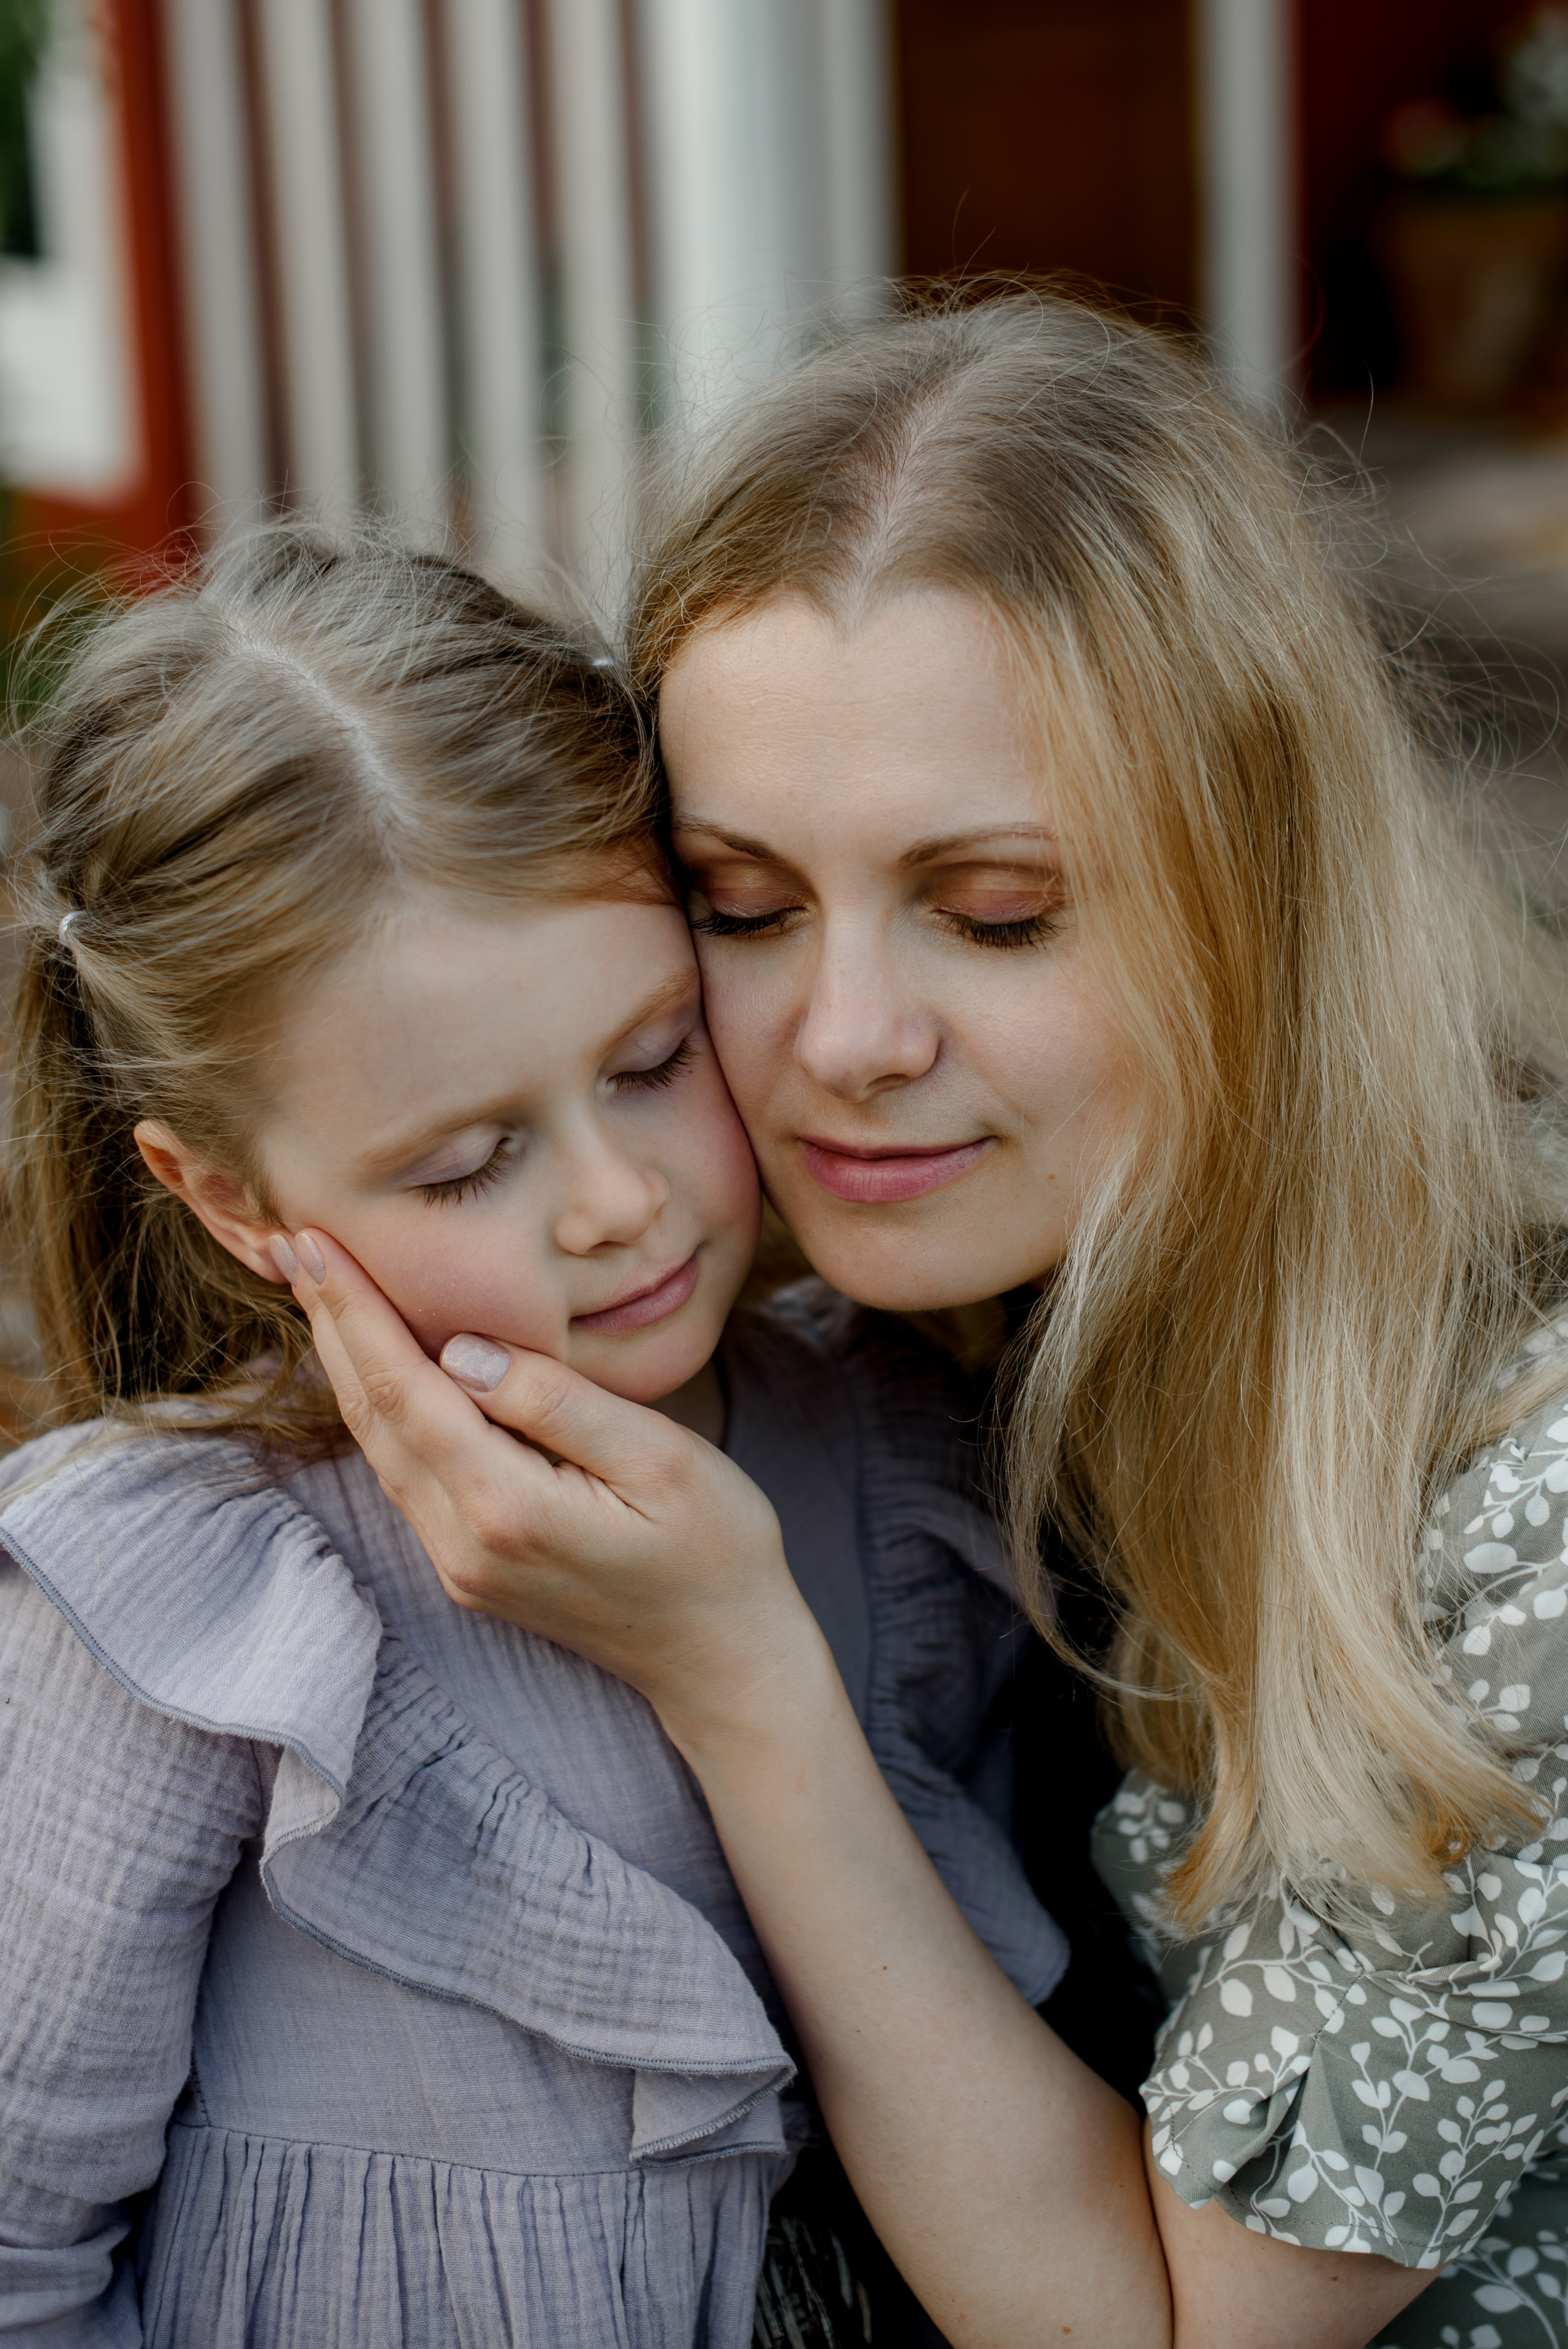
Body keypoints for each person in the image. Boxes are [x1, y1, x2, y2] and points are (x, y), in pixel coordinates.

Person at [273, 295, 1568, 2349]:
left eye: (996, 914)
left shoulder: (1526, 1514)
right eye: (746, 903)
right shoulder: (930, 1263)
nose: (845, 1044)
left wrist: (741, 1676)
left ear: (1261, 899)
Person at [0, 528, 1065, 2348]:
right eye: (464, 1159)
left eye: (653, 1060)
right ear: (229, 1192)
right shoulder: (175, 1615)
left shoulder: (904, 1449)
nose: (614, 1202)